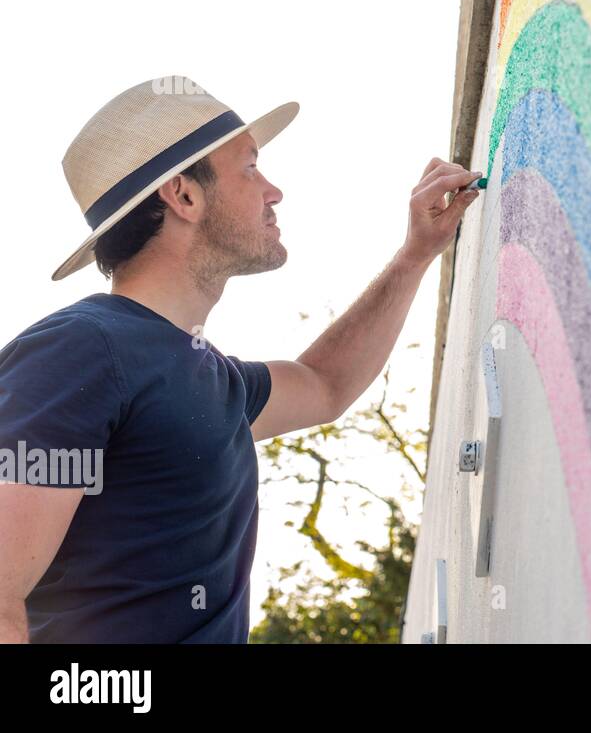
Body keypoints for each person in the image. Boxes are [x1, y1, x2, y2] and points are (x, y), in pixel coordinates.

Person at [0, 76, 480, 642]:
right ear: (183, 196)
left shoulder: (212, 377)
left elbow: (324, 385)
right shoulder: (79, 351)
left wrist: (415, 254)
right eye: (250, 168)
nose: (273, 191)